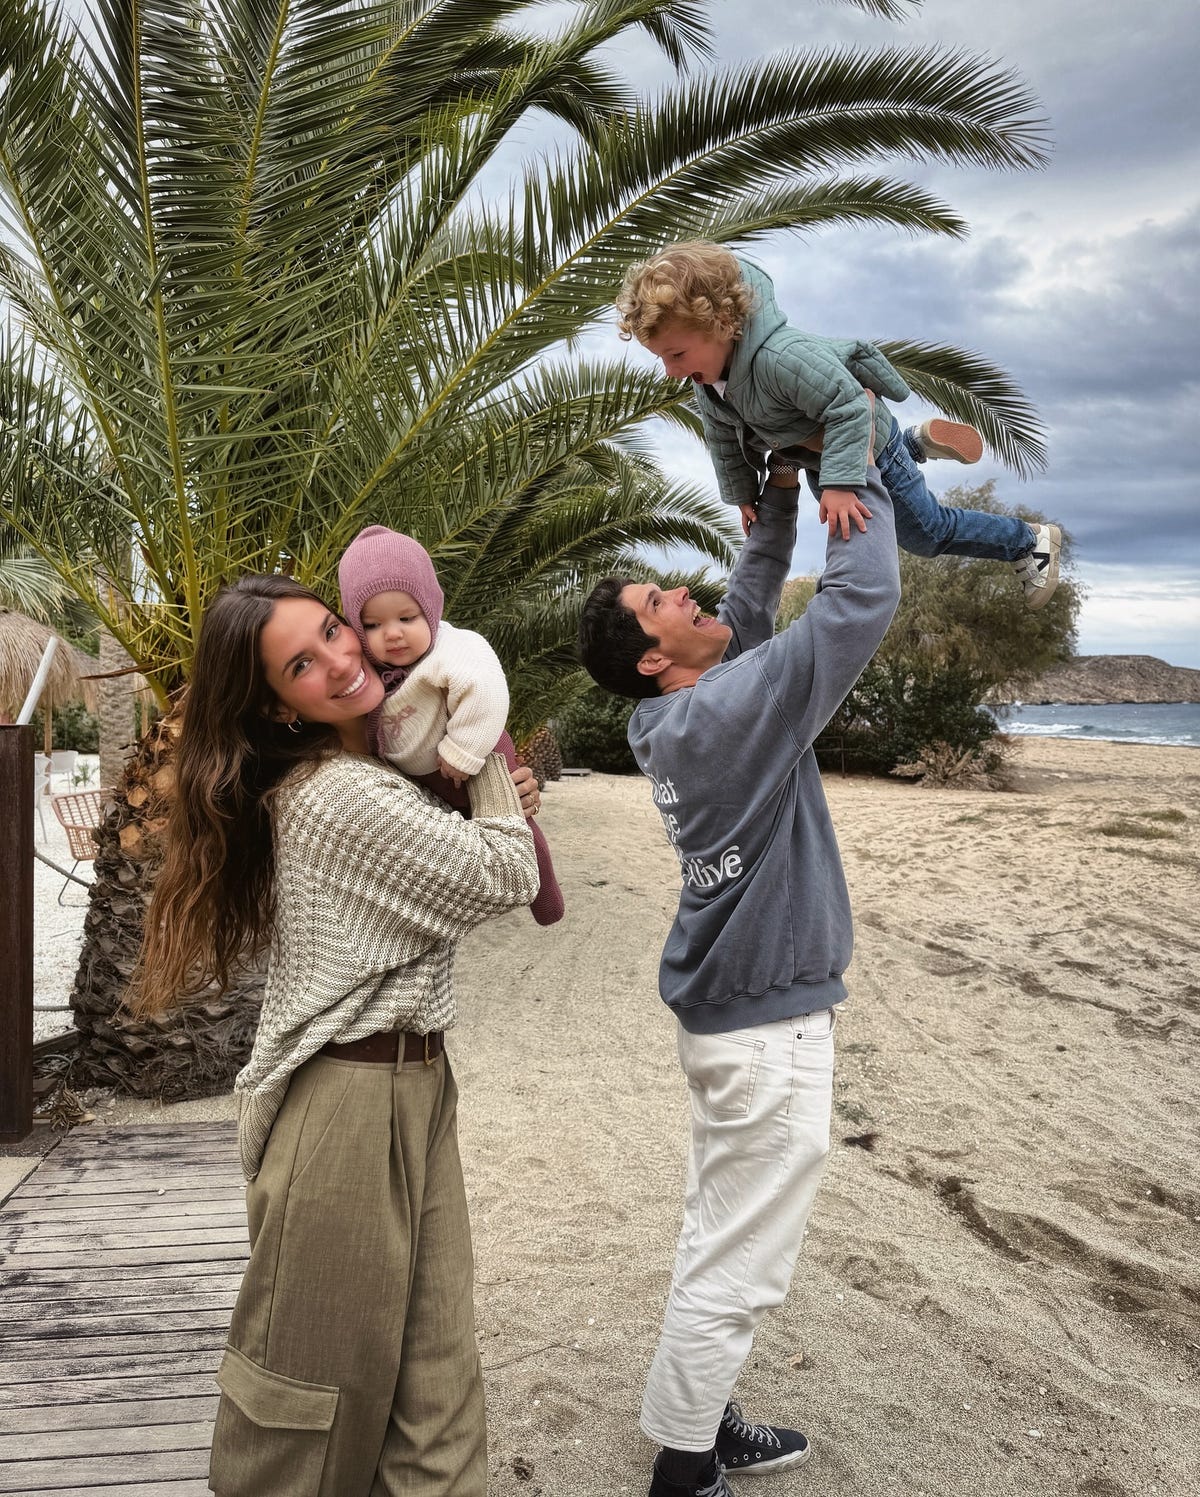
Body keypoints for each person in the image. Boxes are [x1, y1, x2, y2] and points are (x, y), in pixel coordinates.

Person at [134, 574, 542, 1497]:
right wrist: (473, 726)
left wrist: (466, 774)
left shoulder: (371, 783)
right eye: (302, 664)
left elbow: (480, 854)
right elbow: (505, 870)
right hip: (345, 1108)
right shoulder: (330, 799)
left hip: (415, 1083)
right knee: (304, 1416)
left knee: (439, 1398)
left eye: (332, 630)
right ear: (276, 704)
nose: (342, 659)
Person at [578, 426, 902, 1496]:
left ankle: (702, 1421)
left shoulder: (673, 719)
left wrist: (772, 494)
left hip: (735, 1016)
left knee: (716, 1230)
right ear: (652, 659)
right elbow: (854, 610)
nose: (684, 592)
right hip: (766, 1029)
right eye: (660, 603)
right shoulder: (728, 712)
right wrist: (851, 474)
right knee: (741, 1259)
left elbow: (749, 611)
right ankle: (684, 1471)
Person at [616, 239, 1061, 609]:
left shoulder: (780, 358)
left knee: (927, 534)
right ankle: (914, 444)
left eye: (677, 355)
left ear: (722, 324)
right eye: (662, 359)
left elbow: (850, 407)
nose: (671, 371)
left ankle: (1027, 540)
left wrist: (844, 484)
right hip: (819, 456)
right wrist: (742, 495)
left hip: (857, 442)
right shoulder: (709, 380)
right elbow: (721, 439)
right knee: (846, 501)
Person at [338, 524, 564, 926]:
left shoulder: (454, 646)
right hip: (427, 776)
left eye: (407, 617)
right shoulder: (365, 670)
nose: (391, 634)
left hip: (479, 751)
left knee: (517, 821)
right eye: (371, 625)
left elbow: (486, 688)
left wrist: (464, 750)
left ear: (430, 607)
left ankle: (547, 901)